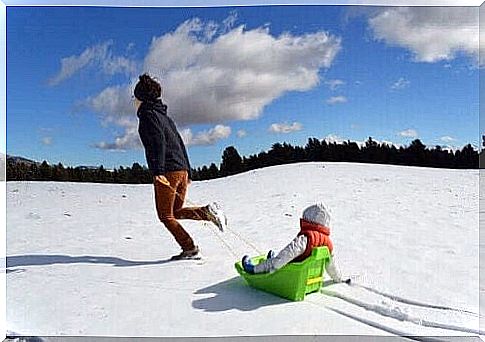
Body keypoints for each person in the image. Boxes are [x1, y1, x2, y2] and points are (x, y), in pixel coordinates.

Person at [134, 73, 227, 260]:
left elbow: (157, 142)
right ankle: (207, 212)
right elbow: (179, 142)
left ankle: (190, 249)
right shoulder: (165, 117)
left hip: (168, 171)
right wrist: (188, 172)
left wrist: (158, 171)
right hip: (181, 170)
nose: (134, 102)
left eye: (134, 97)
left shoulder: (148, 115)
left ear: (141, 98)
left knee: (165, 216)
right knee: (175, 212)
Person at [241, 203, 349, 283]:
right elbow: (331, 265)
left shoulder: (307, 237)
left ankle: (253, 269)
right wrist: (338, 278)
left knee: (273, 262)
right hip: (309, 278)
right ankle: (273, 259)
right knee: (279, 259)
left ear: (308, 220)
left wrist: (275, 267)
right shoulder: (328, 243)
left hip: (294, 273)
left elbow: (290, 252)